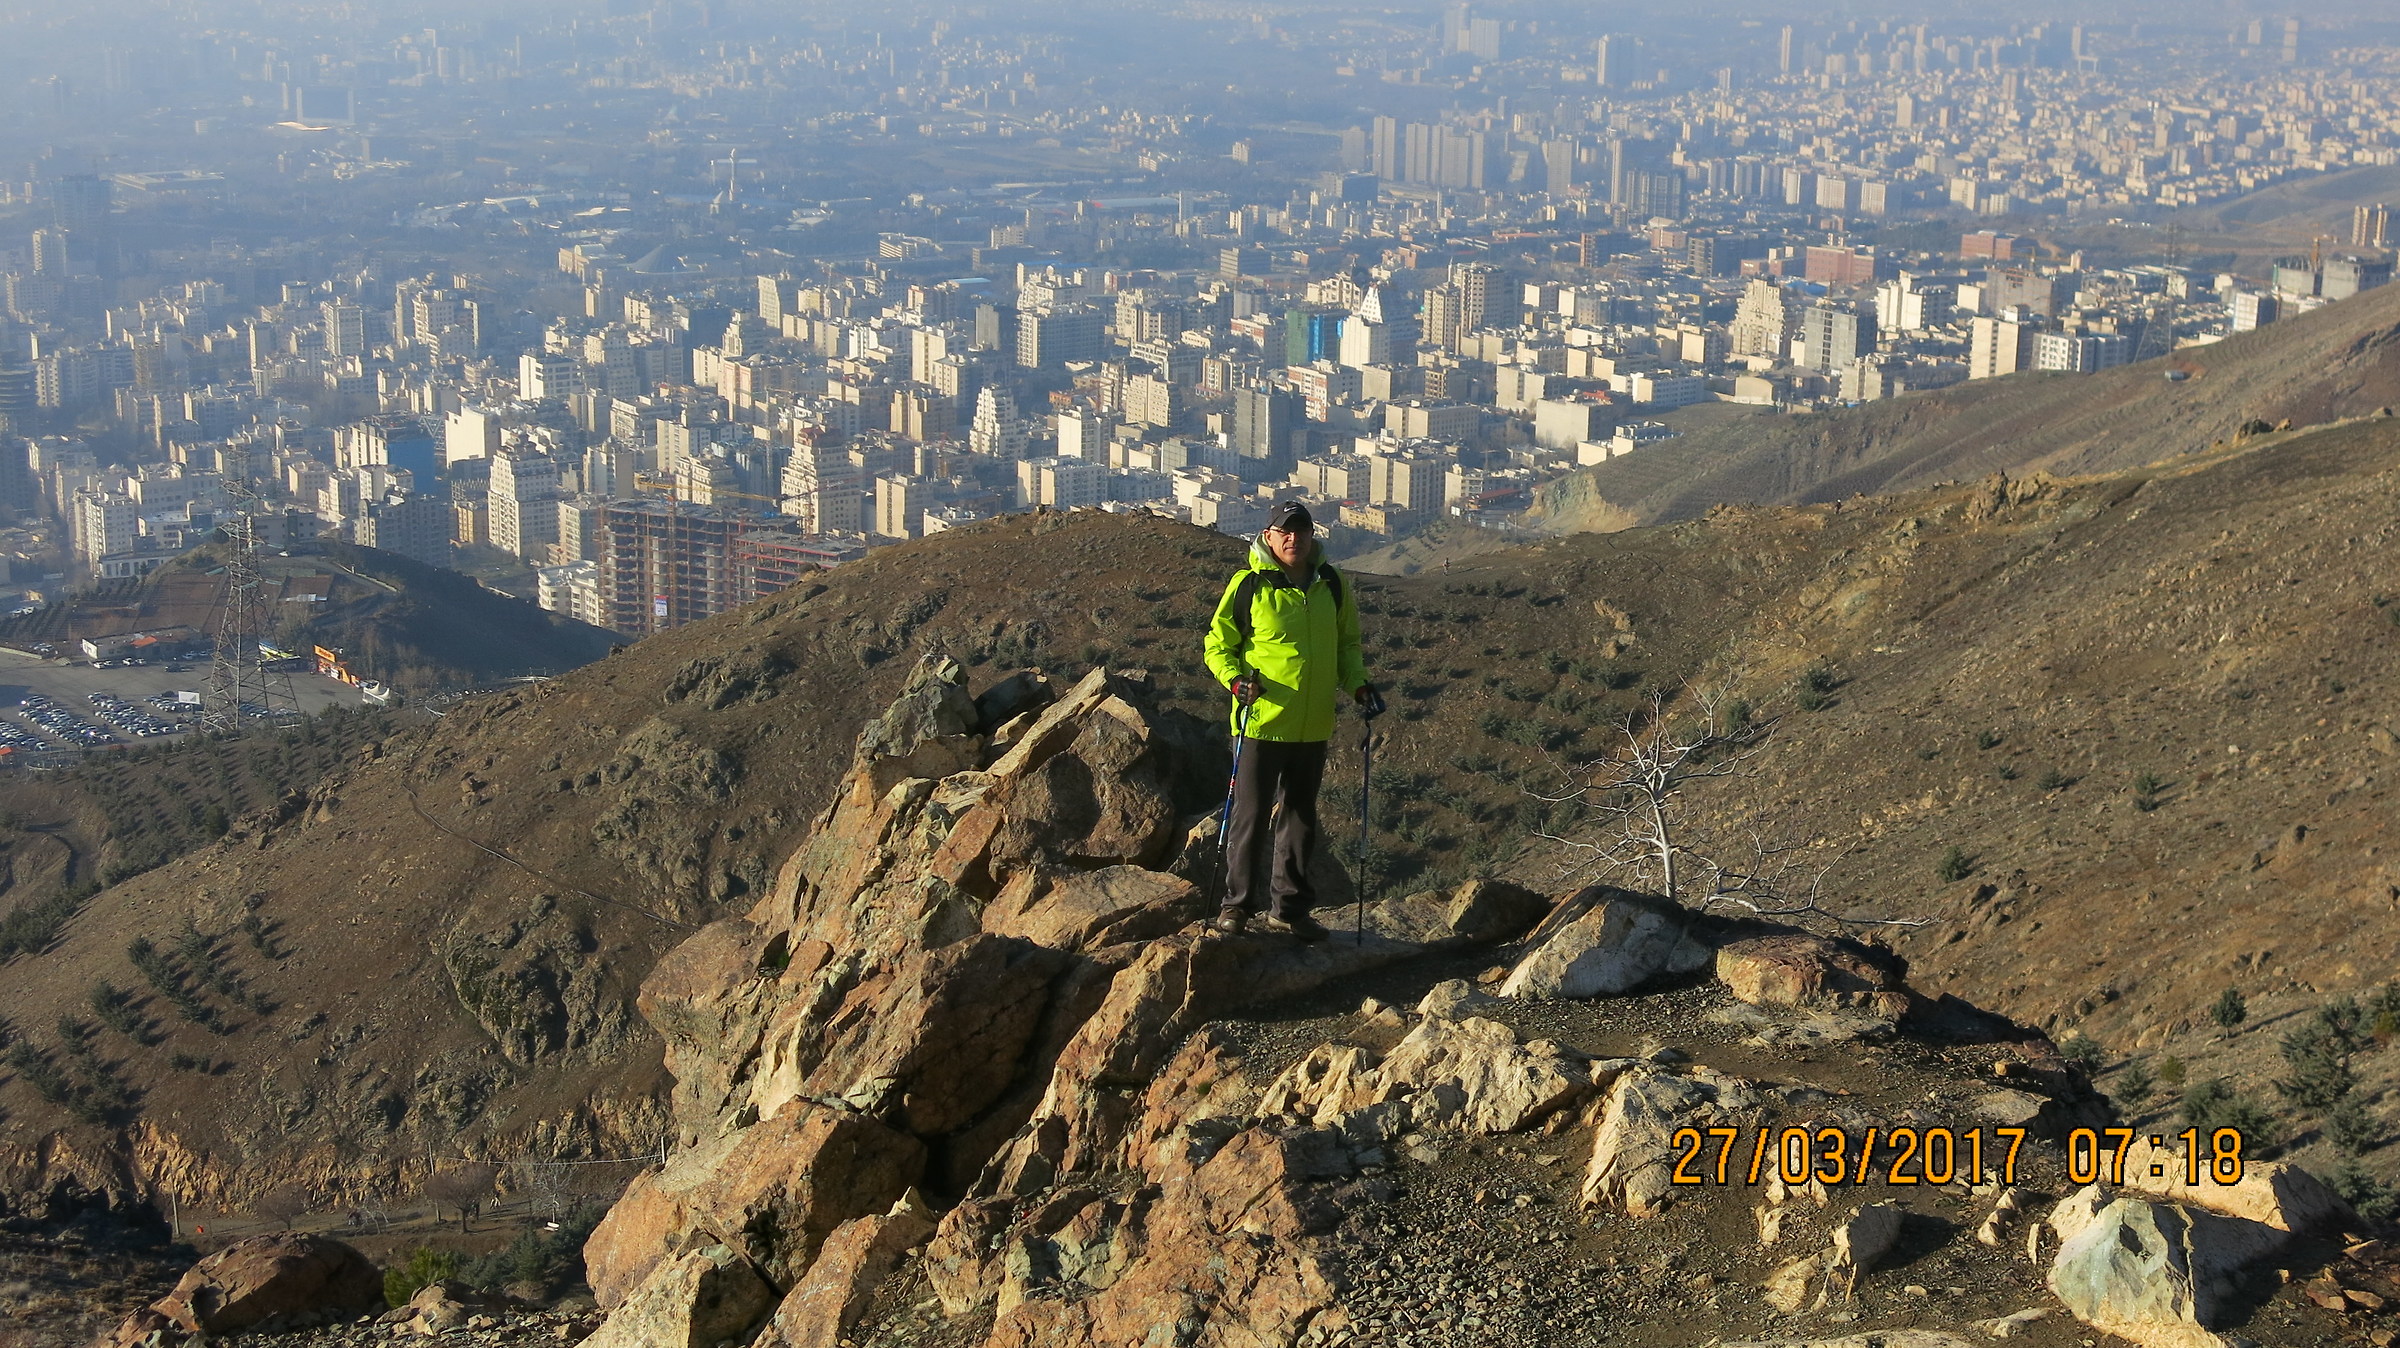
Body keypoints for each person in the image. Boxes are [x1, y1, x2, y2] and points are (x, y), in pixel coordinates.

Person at [1202, 501, 1376, 940]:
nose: (1293, 539)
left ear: (1312, 535)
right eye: (1285, 531)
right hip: (1260, 721)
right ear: (1269, 535)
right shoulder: (1249, 585)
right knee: (1251, 814)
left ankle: (1289, 911)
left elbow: (1347, 646)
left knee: (1300, 817)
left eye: (1301, 531)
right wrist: (1235, 682)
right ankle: (1236, 907)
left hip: (1313, 723)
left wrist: (1358, 685)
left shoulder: (1332, 585)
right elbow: (1217, 644)